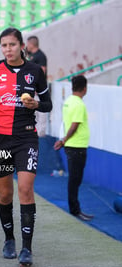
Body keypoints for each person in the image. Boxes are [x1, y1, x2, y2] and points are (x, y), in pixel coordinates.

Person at [0, 27, 52, 267]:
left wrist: (35, 105)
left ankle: (26, 248)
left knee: (26, 190)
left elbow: (48, 104)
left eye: (12, 44)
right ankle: (9, 239)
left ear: (22, 46)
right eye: (4, 45)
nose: (8, 49)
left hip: (26, 138)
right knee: (5, 194)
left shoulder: (34, 72)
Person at [53, 75, 93, 222]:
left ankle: (75, 208)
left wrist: (63, 141)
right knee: (75, 179)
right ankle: (75, 210)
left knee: (74, 179)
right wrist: (64, 140)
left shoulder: (68, 102)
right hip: (77, 146)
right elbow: (74, 125)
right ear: (85, 88)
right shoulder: (79, 104)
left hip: (72, 146)